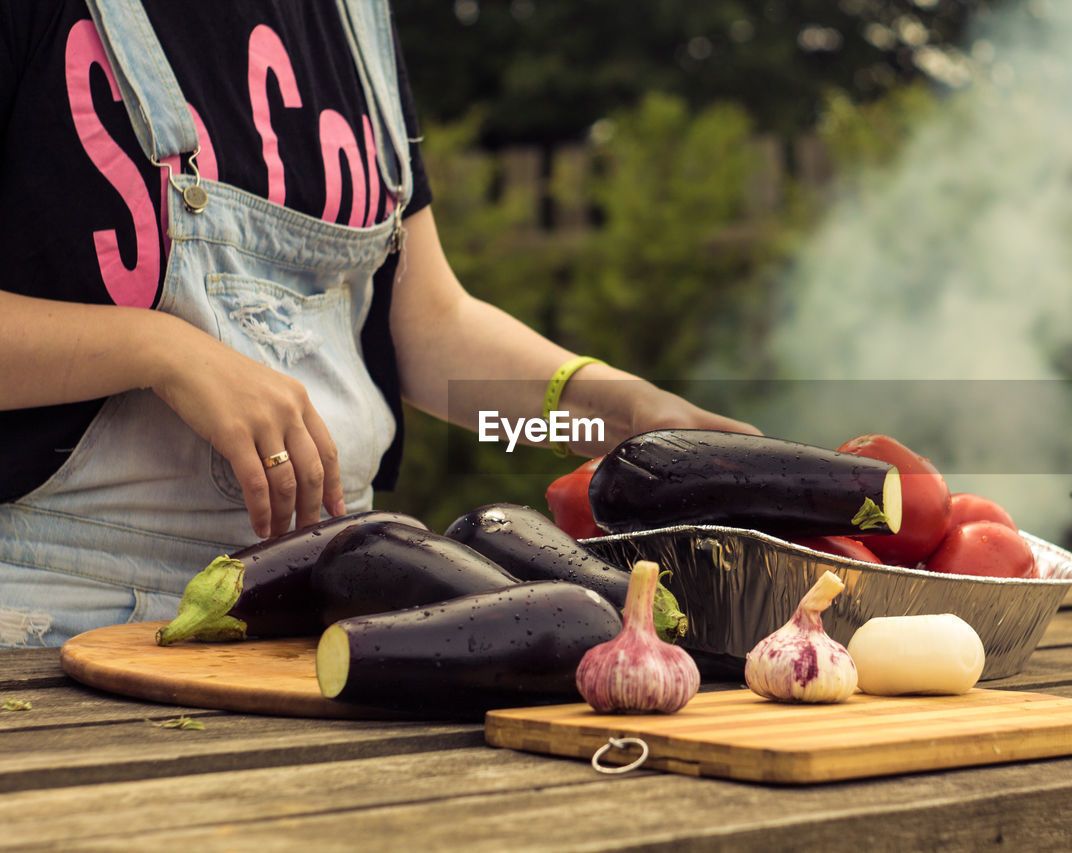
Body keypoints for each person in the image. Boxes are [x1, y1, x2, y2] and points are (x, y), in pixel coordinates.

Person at [0, 0, 756, 647]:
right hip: (58, 623)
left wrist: (607, 410)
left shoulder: (356, 18)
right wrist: (158, 349)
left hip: (330, 607)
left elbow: (424, 321)